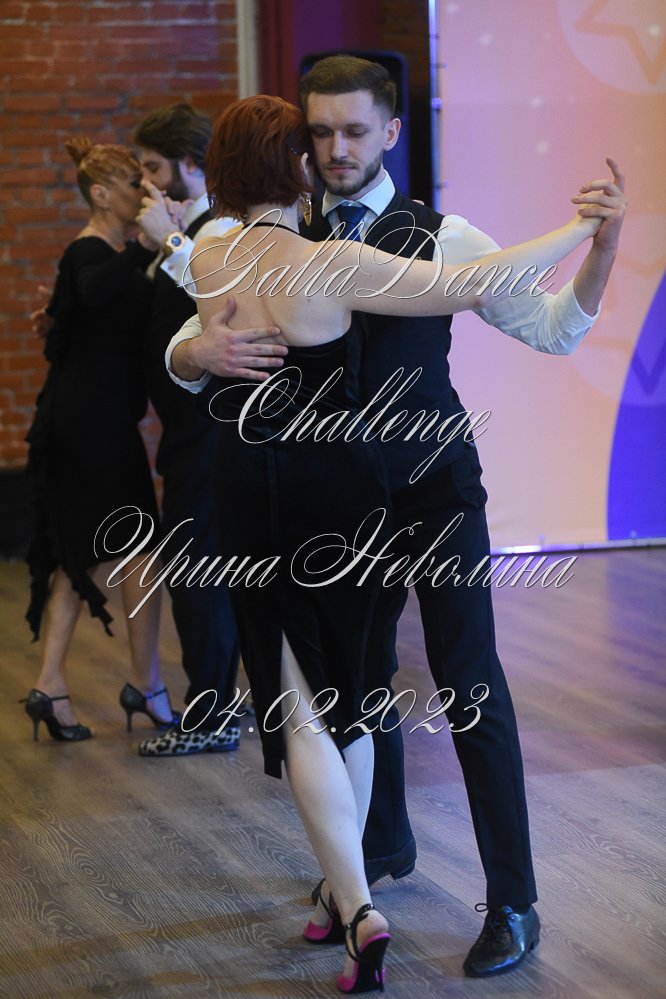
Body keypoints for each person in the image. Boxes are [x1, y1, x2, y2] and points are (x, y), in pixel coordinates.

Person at [170, 55, 627, 978]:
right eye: (319, 132)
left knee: (469, 681)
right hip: (328, 503)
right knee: (353, 684)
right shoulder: (274, 230)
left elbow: (553, 329)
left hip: (431, 491)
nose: (335, 149)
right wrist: (199, 353)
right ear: (299, 143)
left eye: (353, 130)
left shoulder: (445, 234)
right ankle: (372, 860)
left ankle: (512, 900)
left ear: (391, 131)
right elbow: (186, 345)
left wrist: (605, 246)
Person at [23, 139, 179, 742]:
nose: (145, 193)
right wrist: (148, 244)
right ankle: (144, 685)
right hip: (91, 427)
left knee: (89, 555)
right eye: (135, 186)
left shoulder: (109, 255)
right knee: (135, 550)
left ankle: (54, 687)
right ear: (101, 194)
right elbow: (90, 290)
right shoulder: (90, 248)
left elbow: (82, 312)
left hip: (97, 423)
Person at [131, 104, 248, 757]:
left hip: (211, 430)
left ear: (189, 164)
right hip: (184, 429)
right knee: (200, 570)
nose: (146, 183)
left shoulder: (219, 229)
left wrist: (170, 244)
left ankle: (212, 715)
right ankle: (224, 701)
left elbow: (223, 303)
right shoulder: (179, 232)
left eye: (154, 168)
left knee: (198, 571)